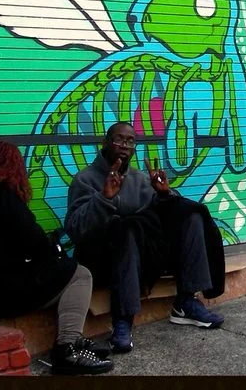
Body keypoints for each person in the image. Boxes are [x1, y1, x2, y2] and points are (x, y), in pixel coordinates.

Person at [64, 121, 226, 354]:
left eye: (130, 141)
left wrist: (165, 195)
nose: (124, 146)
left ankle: (186, 301)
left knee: (189, 213)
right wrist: (103, 198)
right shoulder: (85, 180)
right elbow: (76, 229)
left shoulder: (139, 179)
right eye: (119, 139)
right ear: (106, 142)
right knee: (126, 228)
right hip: (103, 259)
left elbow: (158, 221)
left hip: (140, 259)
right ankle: (123, 320)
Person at [0, 139, 113, 375]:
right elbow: (33, 242)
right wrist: (52, 249)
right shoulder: (4, 197)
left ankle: (75, 340)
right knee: (78, 273)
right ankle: (68, 347)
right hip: (6, 292)